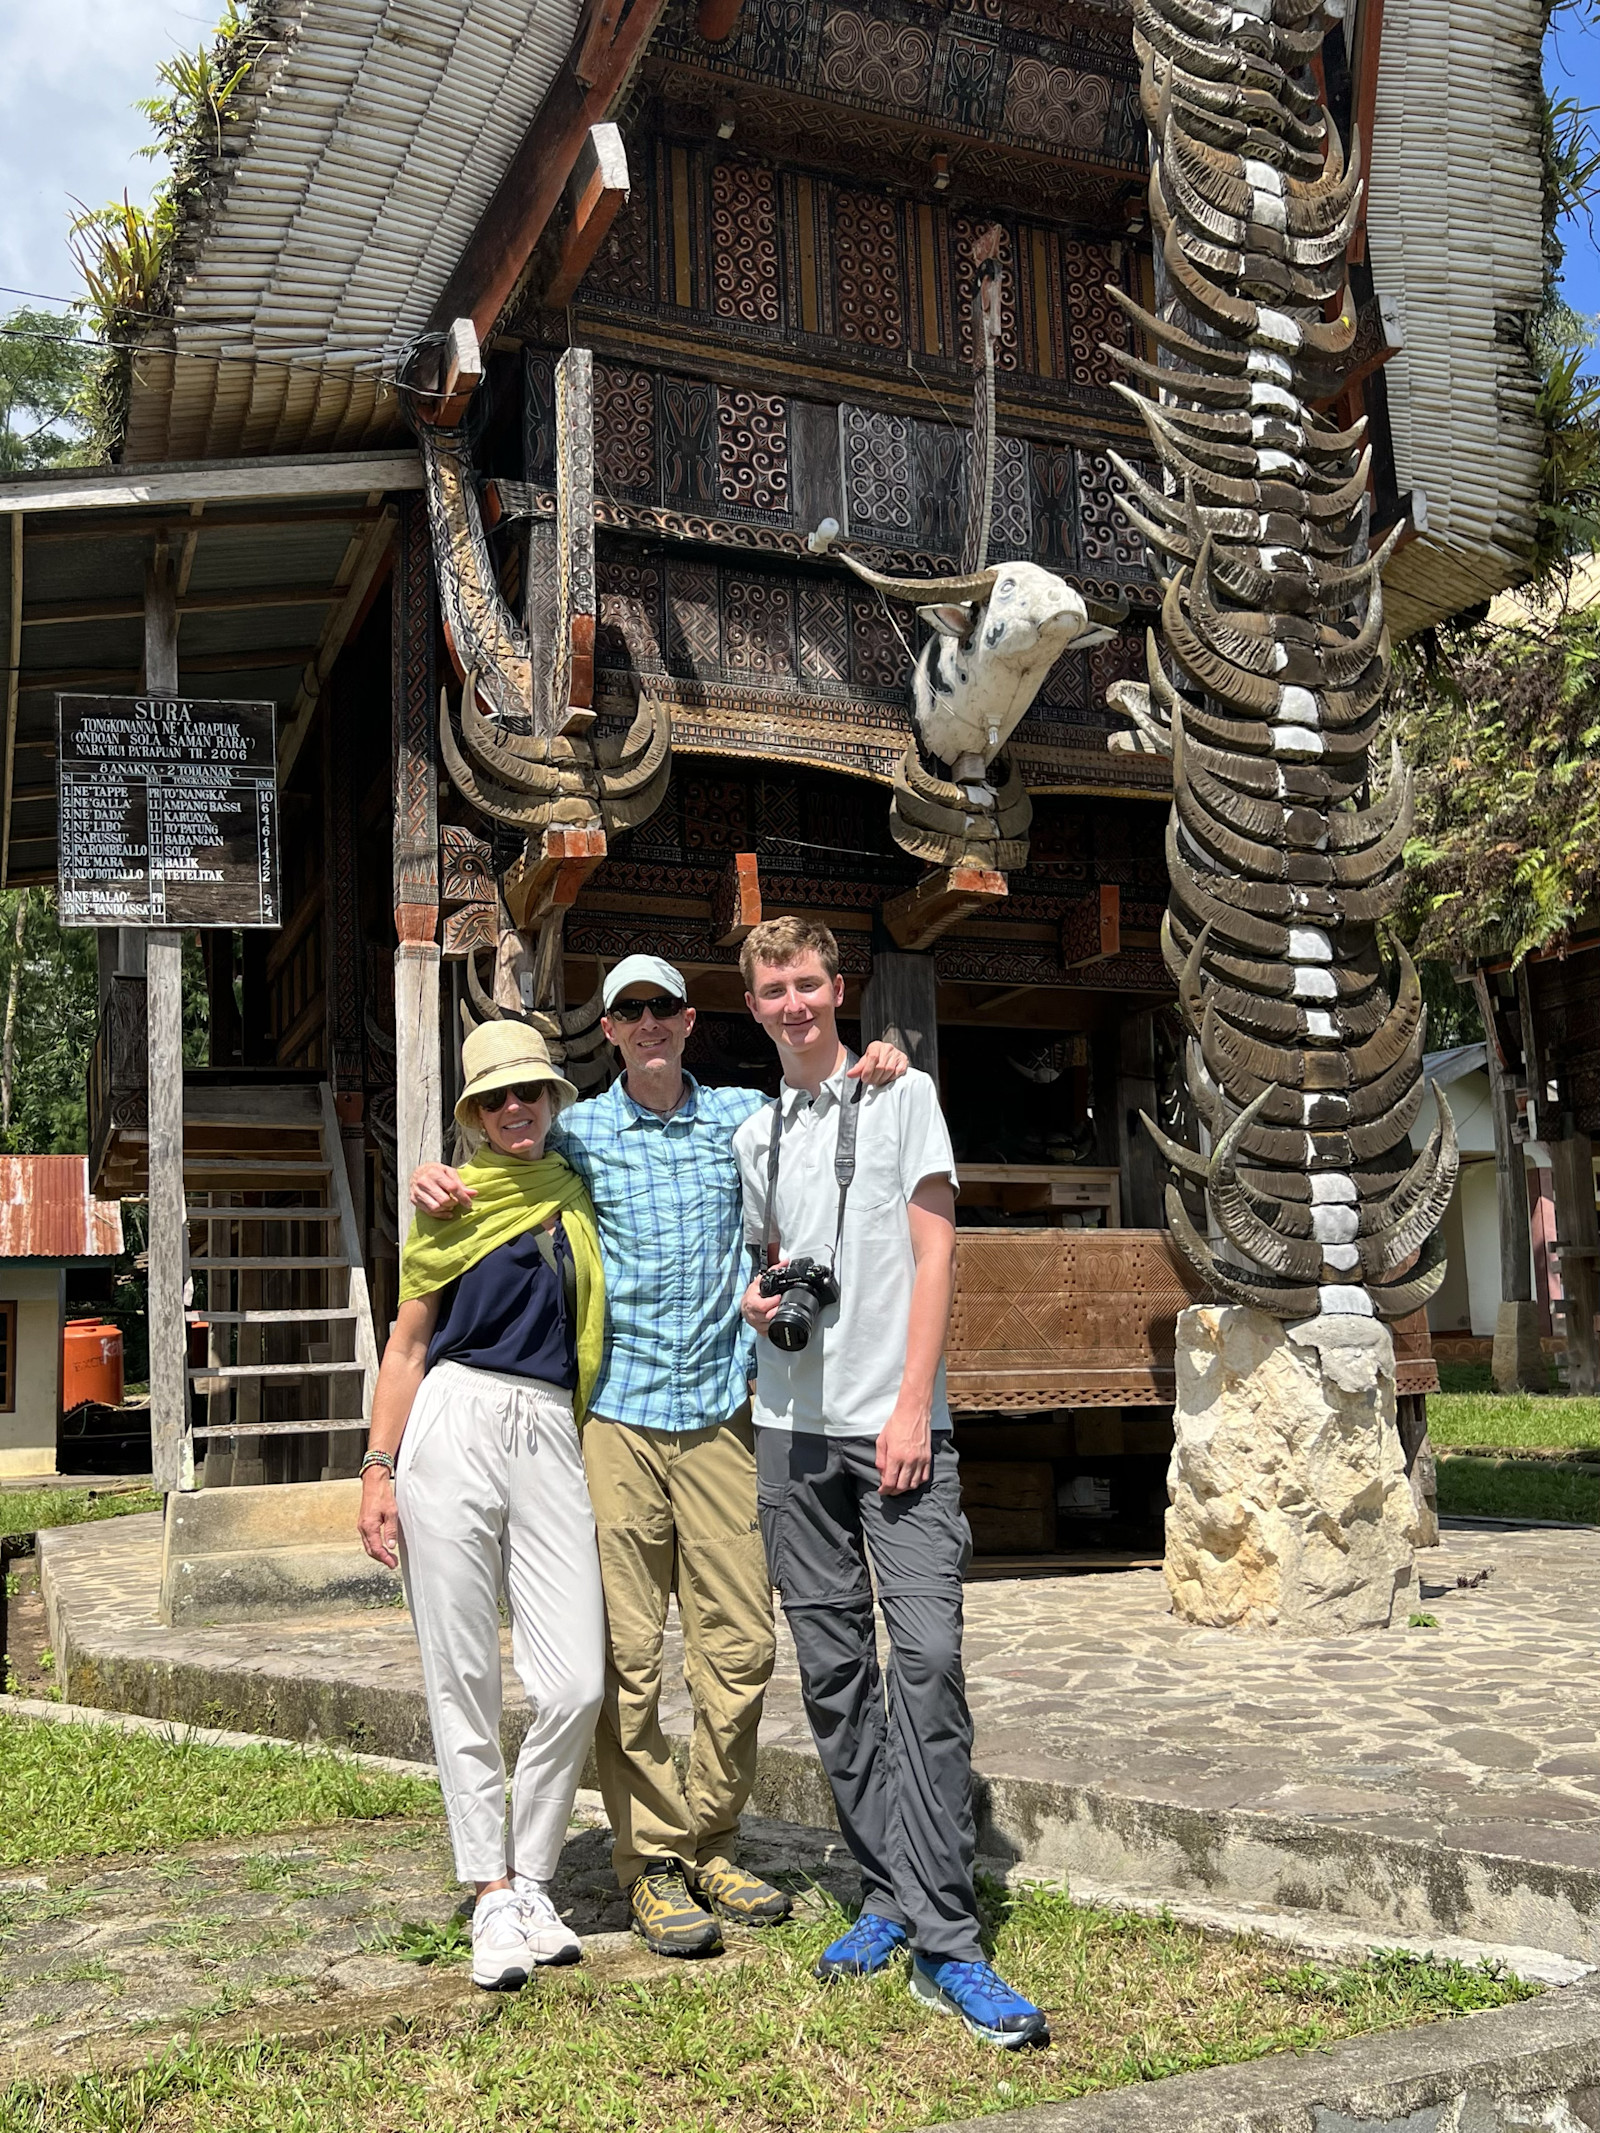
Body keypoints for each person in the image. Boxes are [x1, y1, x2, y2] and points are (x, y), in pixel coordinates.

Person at [409, 955, 909, 1958]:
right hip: (616, 1422)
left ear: (687, 1022)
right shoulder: (579, 1133)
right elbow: (498, 1164)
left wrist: (879, 1066)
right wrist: (433, 1170)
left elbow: (822, 1120)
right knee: (626, 1659)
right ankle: (651, 1862)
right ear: (608, 1029)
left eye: (661, 1010)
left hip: (723, 1412)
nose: (645, 1025)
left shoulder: (741, 1117)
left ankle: (714, 1834)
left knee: (739, 1645)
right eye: (626, 1012)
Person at [734, 915, 1049, 2050]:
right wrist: (758, 1303)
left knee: (923, 1661)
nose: (793, 1002)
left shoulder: (902, 1096)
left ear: (837, 988)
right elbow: (766, 1266)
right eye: (774, 988)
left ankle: (948, 1941)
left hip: (897, 1423)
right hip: (791, 1431)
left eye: (808, 982)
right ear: (755, 1003)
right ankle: (883, 1891)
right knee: (832, 1673)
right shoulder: (753, 1135)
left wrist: (915, 1400)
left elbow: (933, 1252)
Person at [359, 1020, 607, 1992]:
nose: (515, 1109)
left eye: (530, 1093)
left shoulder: (581, 1191)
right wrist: (377, 1468)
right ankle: (490, 1889)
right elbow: (407, 1345)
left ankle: (536, 1875)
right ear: (473, 1112)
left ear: (551, 1100)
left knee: (574, 1680)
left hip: (551, 1427)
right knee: (458, 1666)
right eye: (496, 1097)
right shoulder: (447, 1205)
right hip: (452, 1420)